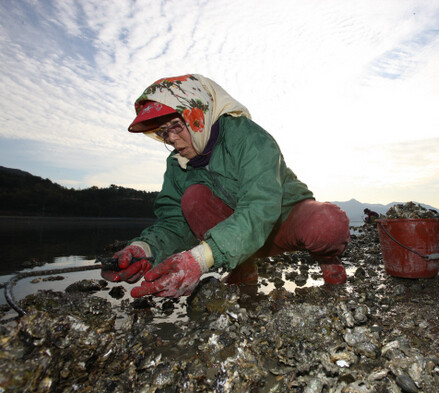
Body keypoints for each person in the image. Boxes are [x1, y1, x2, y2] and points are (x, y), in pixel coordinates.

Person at [101, 74, 350, 298]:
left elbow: (260, 207)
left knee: (327, 223)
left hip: (282, 222)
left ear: (197, 115)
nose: (172, 138)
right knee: (193, 198)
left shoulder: (248, 137)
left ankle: (327, 258)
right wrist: (145, 248)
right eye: (165, 132)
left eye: (177, 126)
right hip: (238, 237)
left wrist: (200, 259)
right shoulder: (177, 164)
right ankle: (243, 267)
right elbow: (175, 222)